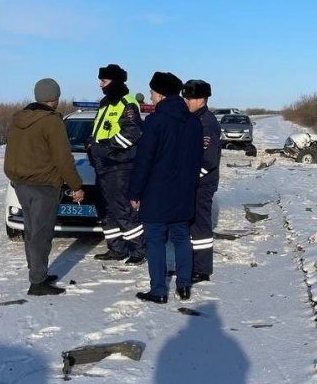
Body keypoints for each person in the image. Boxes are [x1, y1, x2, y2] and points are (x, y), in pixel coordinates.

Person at [128, 72, 203, 303]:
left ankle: (159, 290)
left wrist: (135, 192)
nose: (150, 96)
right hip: (183, 192)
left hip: (157, 192)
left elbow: (144, 160)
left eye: (151, 92)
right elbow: (198, 158)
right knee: (181, 237)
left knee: (155, 240)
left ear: (160, 93)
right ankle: (184, 286)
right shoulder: (193, 122)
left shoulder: (155, 122)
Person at [4, 78, 84, 296]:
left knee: (31, 230)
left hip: (21, 183)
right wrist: (76, 185)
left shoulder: (18, 118)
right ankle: (37, 282)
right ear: (55, 98)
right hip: (44, 184)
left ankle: (37, 272)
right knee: (41, 233)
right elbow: (63, 158)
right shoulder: (51, 121)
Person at [89, 64, 146, 264]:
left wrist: (106, 148)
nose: (100, 85)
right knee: (106, 209)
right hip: (102, 166)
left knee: (123, 211)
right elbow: (99, 130)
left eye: (103, 81)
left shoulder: (127, 102)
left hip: (119, 166)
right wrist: (92, 146)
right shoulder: (105, 102)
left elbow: (133, 133)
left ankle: (138, 251)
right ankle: (116, 249)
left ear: (114, 81)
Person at [182, 79, 220, 283]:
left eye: (190, 98)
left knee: (200, 225)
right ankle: (192, 265)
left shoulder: (207, 123)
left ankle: (202, 269)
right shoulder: (192, 119)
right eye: (185, 97)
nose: (187, 101)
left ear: (202, 99)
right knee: (190, 224)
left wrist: (190, 178)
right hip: (191, 182)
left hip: (202, 183)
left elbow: (208, 160)